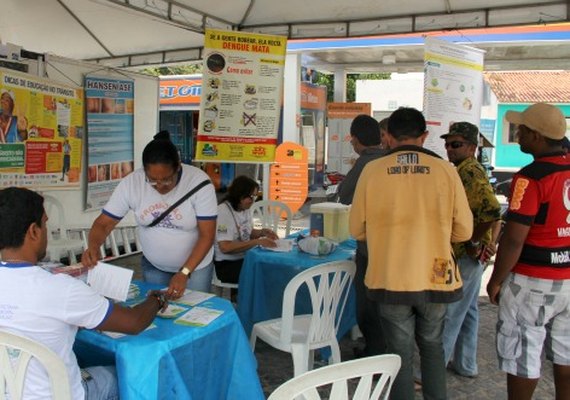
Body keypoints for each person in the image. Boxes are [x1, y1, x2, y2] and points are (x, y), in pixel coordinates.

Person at [349, 107, 473, 400]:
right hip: (436, 276)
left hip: (391, 278)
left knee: (399, 352)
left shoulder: (372, 170)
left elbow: (357, 229)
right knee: (432, 347)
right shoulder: (445, 170)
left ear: (388, 136)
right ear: (425, 136)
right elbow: (464, 232)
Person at [0, 187, 167, 400]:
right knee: (129, 375)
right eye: (45, 224)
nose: (47, 231)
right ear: (34, 231)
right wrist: (156, 299)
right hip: (61, 395)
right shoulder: (60, 289)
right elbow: (134, 323)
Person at [486, 103, 570, 400]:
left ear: (536, 136)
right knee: (566, 352)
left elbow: (514, 238)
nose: (517, 133)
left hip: (533, 281)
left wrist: (496, 278)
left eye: (521, 129)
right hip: (568, 278)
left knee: (523, 352)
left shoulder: (531, 177)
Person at [82, 131, 217, 298]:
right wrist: (93, 247)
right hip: (155, 266)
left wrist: (185, 272)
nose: (160, 186)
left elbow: (207, 235)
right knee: (156, 312)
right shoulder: (132, 183)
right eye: (152, 180)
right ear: (144, 170)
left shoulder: (199, 183)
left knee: (196, 315)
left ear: (178, 167)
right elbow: (104, 224)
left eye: (167, 179)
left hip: (195, 268)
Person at [440, 122, 501, 378]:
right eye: (447, 144)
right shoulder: (463, 169)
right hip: (472, 253)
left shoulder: (469, 171)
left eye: (456, 145)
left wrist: (475, 241)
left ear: (472, 147)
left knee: (451, 312)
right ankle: (466, 364)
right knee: (468, 310)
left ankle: (432, 371)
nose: (449, 149)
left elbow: (492, 210)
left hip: (466, 253)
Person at [336, 114, 386, 357]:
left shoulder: (366, 161)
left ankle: (373, 353)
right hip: (393, 243)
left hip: (369, 243)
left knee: (368, 303)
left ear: (356, 140)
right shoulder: (389, 157)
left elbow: (344, 195)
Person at [214, 175, 277, 284]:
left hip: (244, 259)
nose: (253, 200)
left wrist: (262, 232)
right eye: (251, 196)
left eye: (255, 196)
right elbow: (225, 247)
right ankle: (248, 299)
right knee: (266, 275)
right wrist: (257, 241)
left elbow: (247, 233)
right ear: (239, 195)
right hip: (227, 265)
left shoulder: (244, 208)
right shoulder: (223, 212)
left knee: (273, 267)